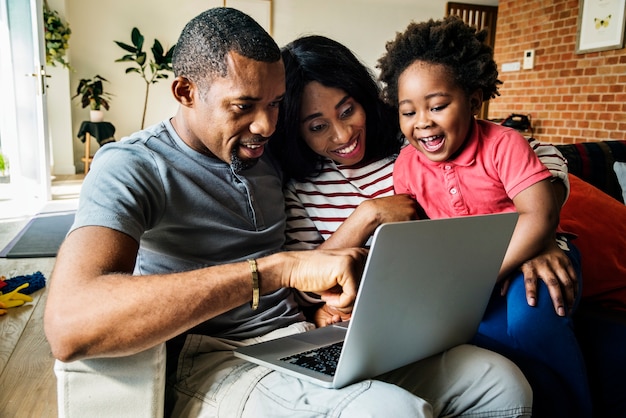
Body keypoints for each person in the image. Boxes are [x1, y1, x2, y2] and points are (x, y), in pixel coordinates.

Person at [44, 8, 533, 417]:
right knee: (390, 413)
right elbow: (70, 324)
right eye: (243, 106)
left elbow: (475, 149)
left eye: (276, 105)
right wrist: (276, 269)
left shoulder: (268, 149)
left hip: (302, 340)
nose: (265, 124)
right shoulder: (133, 166)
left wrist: (543, 229)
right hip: (215, 357)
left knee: (499, 383)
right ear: (185, 93)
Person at [269, 34, 589, 417]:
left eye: (347, 110)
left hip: (461, 283)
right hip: (401, 314)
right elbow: (305, 287)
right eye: (317, 126)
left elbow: (539, 157)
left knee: (524, 327)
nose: (342, 135)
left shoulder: (414, 145)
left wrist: (535, 237)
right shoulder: (303, 189)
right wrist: (367, 214)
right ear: (296, 130)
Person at [377, 17, 591, 417]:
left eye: (437, 106)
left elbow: (539, 215)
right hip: (469, 276)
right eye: (408, 112)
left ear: (474, 101)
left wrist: (478, 276)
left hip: (534, 256)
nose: (422, 121)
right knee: (480, 336)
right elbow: (416, 232)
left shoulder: (504, 144)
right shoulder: (406, 163)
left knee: (530, 322)